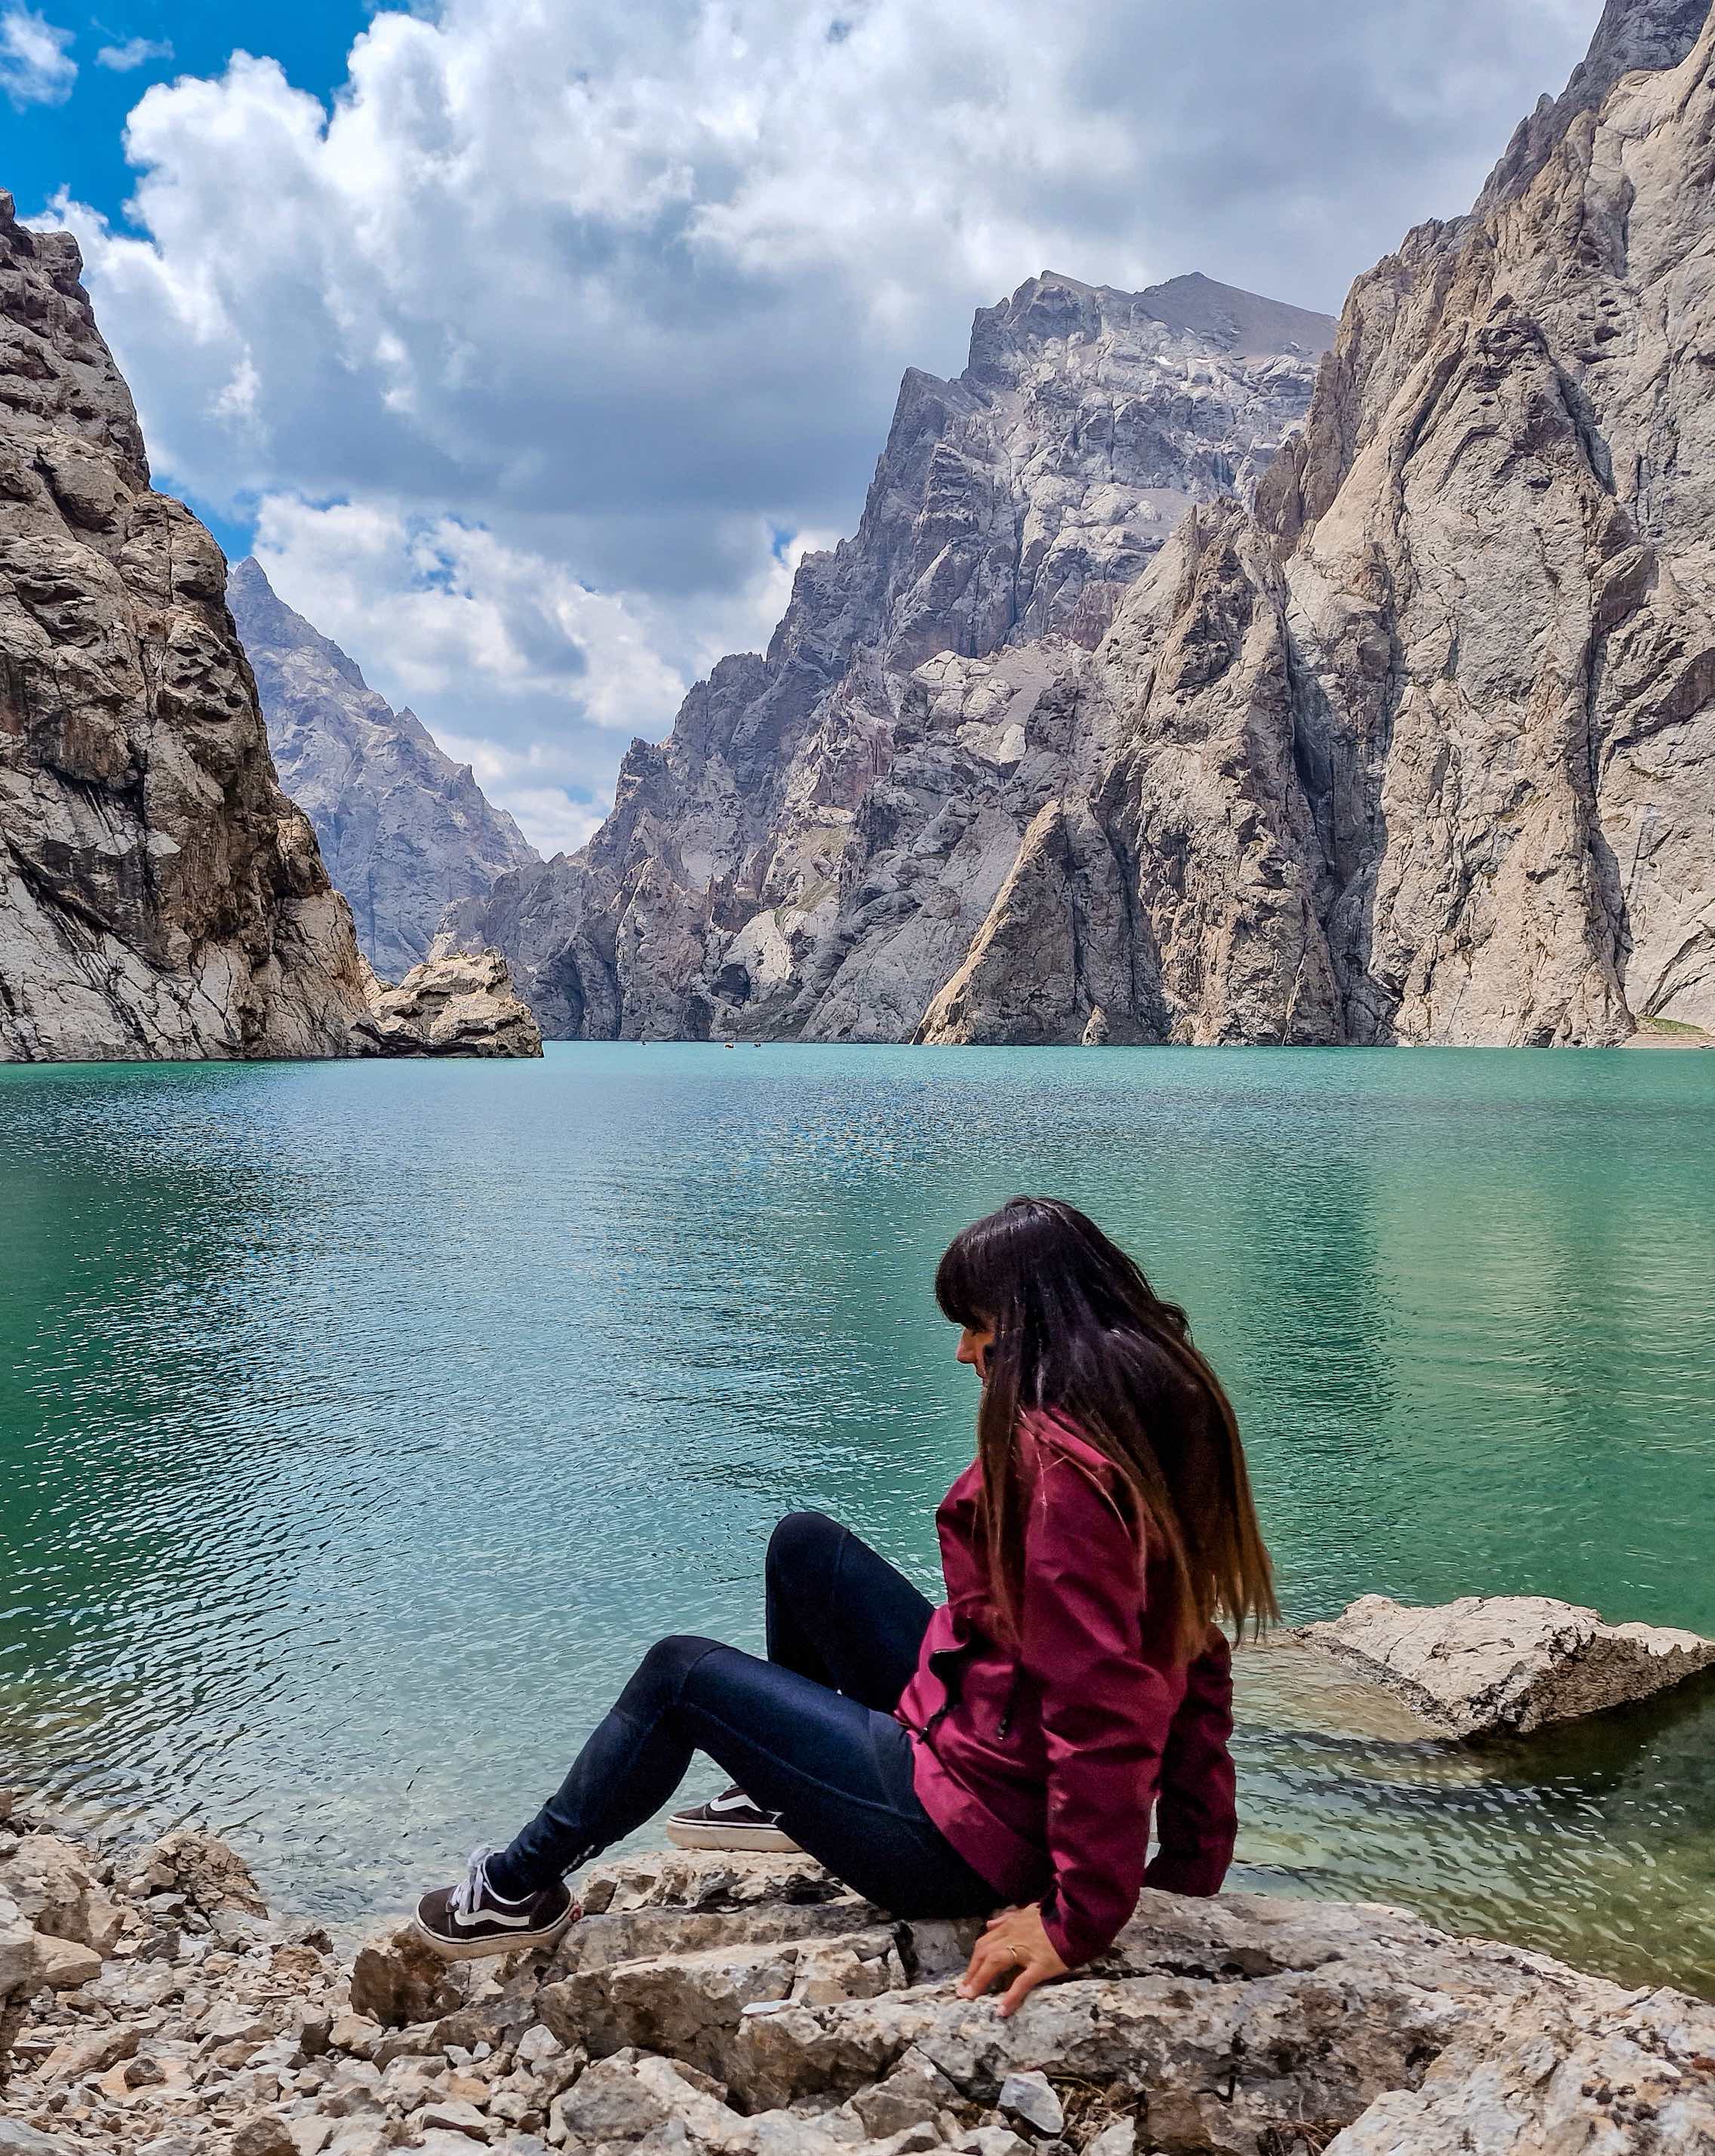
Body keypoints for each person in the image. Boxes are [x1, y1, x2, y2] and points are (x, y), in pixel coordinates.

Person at [413, 1196, 1277, 2014]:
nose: (963, 1352)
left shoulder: (1056, 1470)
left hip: (963, 1838)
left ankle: (515, 1887)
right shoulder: (1145, 1420)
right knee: (804, 1544)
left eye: (974, 1327)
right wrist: (1193, 1864)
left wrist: (1079, 1919)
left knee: (680, 1673)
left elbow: (1103, 1707)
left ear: (1024, 1328)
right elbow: (1191, 1654)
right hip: (982, 1740)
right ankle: (783, 1790)